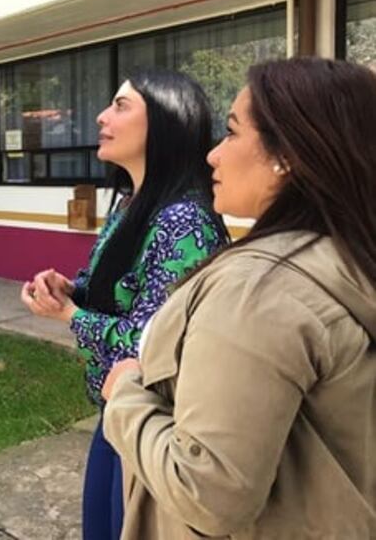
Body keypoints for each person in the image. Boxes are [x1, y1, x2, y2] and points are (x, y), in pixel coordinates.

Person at [101, 57, 376, 538]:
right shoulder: (346, 258)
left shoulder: (258, 291)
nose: (213, 155)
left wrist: (124, 390)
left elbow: (208, 492)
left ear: (287, 155)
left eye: (231, 133)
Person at [20, 70, 228, 539]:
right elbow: (119, 291)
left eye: (120, 106)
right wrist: (70, 290)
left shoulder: (184, 221)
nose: (101, 117)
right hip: (117, 411)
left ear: (166, 123)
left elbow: (153, 345)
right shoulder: (131, 204)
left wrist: (69, 315)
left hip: (158, 426)